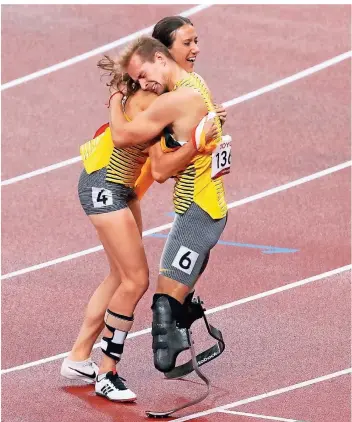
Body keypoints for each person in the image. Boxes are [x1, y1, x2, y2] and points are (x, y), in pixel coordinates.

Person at [60, 16, 226, 401]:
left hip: (122, 190)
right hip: (105, 186)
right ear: (164, 54)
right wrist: (197, 139)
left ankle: (79, 357)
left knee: (122, 277)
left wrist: (210, 121)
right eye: (187, 43)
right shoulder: (158, 98)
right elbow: (151, 156)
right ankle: (106, 373)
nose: (194, 51)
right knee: (136, 280)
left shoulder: (178, 91)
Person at [109, 35, 229, 374]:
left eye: (144, 75)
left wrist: (116, 98)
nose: (143, 84)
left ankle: (170, 337)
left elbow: (158, 168)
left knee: (163, 307)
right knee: (169, 291)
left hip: (199, 208)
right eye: (137, 81)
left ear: (161, 58)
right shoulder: (198, 84)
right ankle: (183, 314)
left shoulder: (174, 100)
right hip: (206, 205)